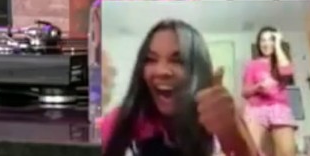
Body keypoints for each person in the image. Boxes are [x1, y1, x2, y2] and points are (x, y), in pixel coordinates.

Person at [101, 19, 258, 156]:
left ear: (198, 70)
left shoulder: (223, 115)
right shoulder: (121, 120)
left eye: (177, 60)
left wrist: (231, 135)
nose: (161, 71)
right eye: (151, 59)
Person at [241, 27, 296, 156]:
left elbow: (286, 72)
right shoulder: (252, 64)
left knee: (287, 153)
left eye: (270, 40)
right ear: (259, 43)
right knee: (251, 151)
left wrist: (278, 45)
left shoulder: (282, 61)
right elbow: (244, 92)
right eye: (262, 40)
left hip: (279, 108)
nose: (266, 44)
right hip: (256, 110)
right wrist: (258, 87)